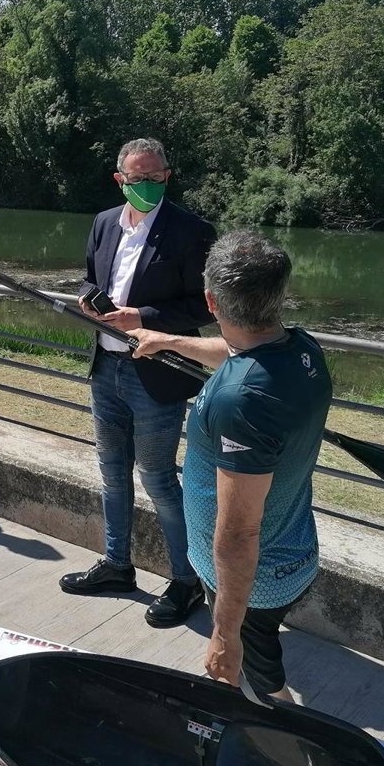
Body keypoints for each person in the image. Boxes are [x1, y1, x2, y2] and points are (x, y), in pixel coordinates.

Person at [129, 230, 332, 701]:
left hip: (256, 581)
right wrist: (167, 341)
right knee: (257, 660)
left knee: (263, 684)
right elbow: (241, 352)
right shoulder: (301, 349)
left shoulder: (239, 403)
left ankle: (285, 733)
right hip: (293, 552)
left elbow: (239, 531)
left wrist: (224, 634)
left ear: (210, 301)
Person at [59, 137, 217, 631]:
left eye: (156, 177)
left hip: (156, 372)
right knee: (112, 473)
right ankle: (117, 565)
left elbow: (204, 307)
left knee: (158, 479)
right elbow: (89, 278)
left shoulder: (193, 231)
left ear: (167, 176)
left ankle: (186, 580)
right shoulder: (105, 222)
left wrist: (142, 316)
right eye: (138, 178)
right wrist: (89, 299)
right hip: (105, 369)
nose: (147, 184)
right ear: (120, 179)